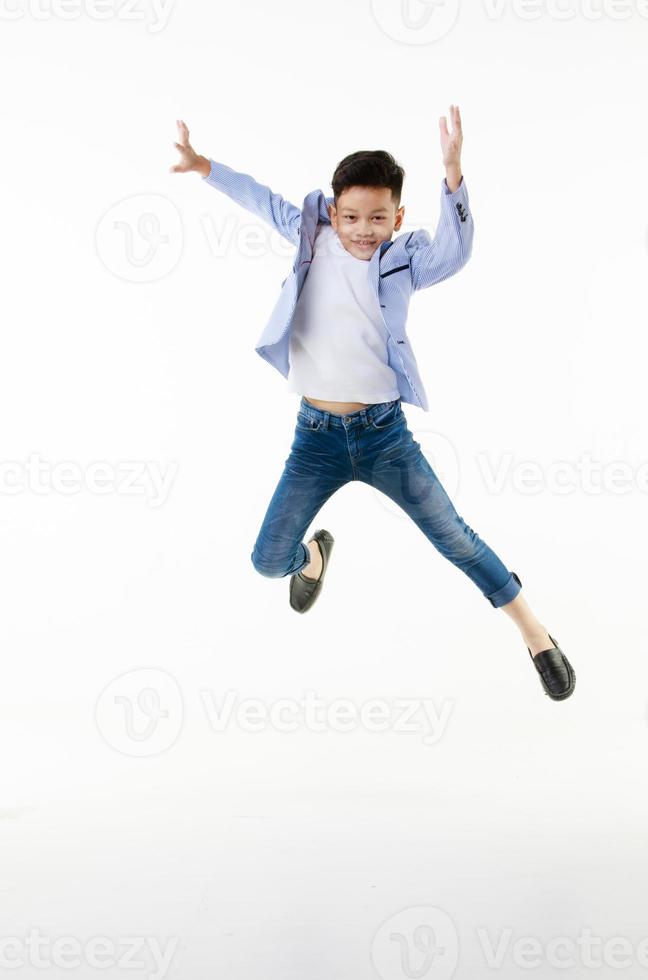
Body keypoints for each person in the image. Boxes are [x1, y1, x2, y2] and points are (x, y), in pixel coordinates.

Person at [169, 109, 575, 701]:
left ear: (397, 217)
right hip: (316, 439)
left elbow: (457, 252)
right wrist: (203, 166)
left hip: (386, 437)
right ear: (333, 212)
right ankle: (312, 557)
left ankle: (535, 634)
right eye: (352, 216)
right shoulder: (313, 237)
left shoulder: (405, 257)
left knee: (455, 538)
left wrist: (454, 173)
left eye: (378, 217)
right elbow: (258, 198)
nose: (364, 229)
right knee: (265, 560)